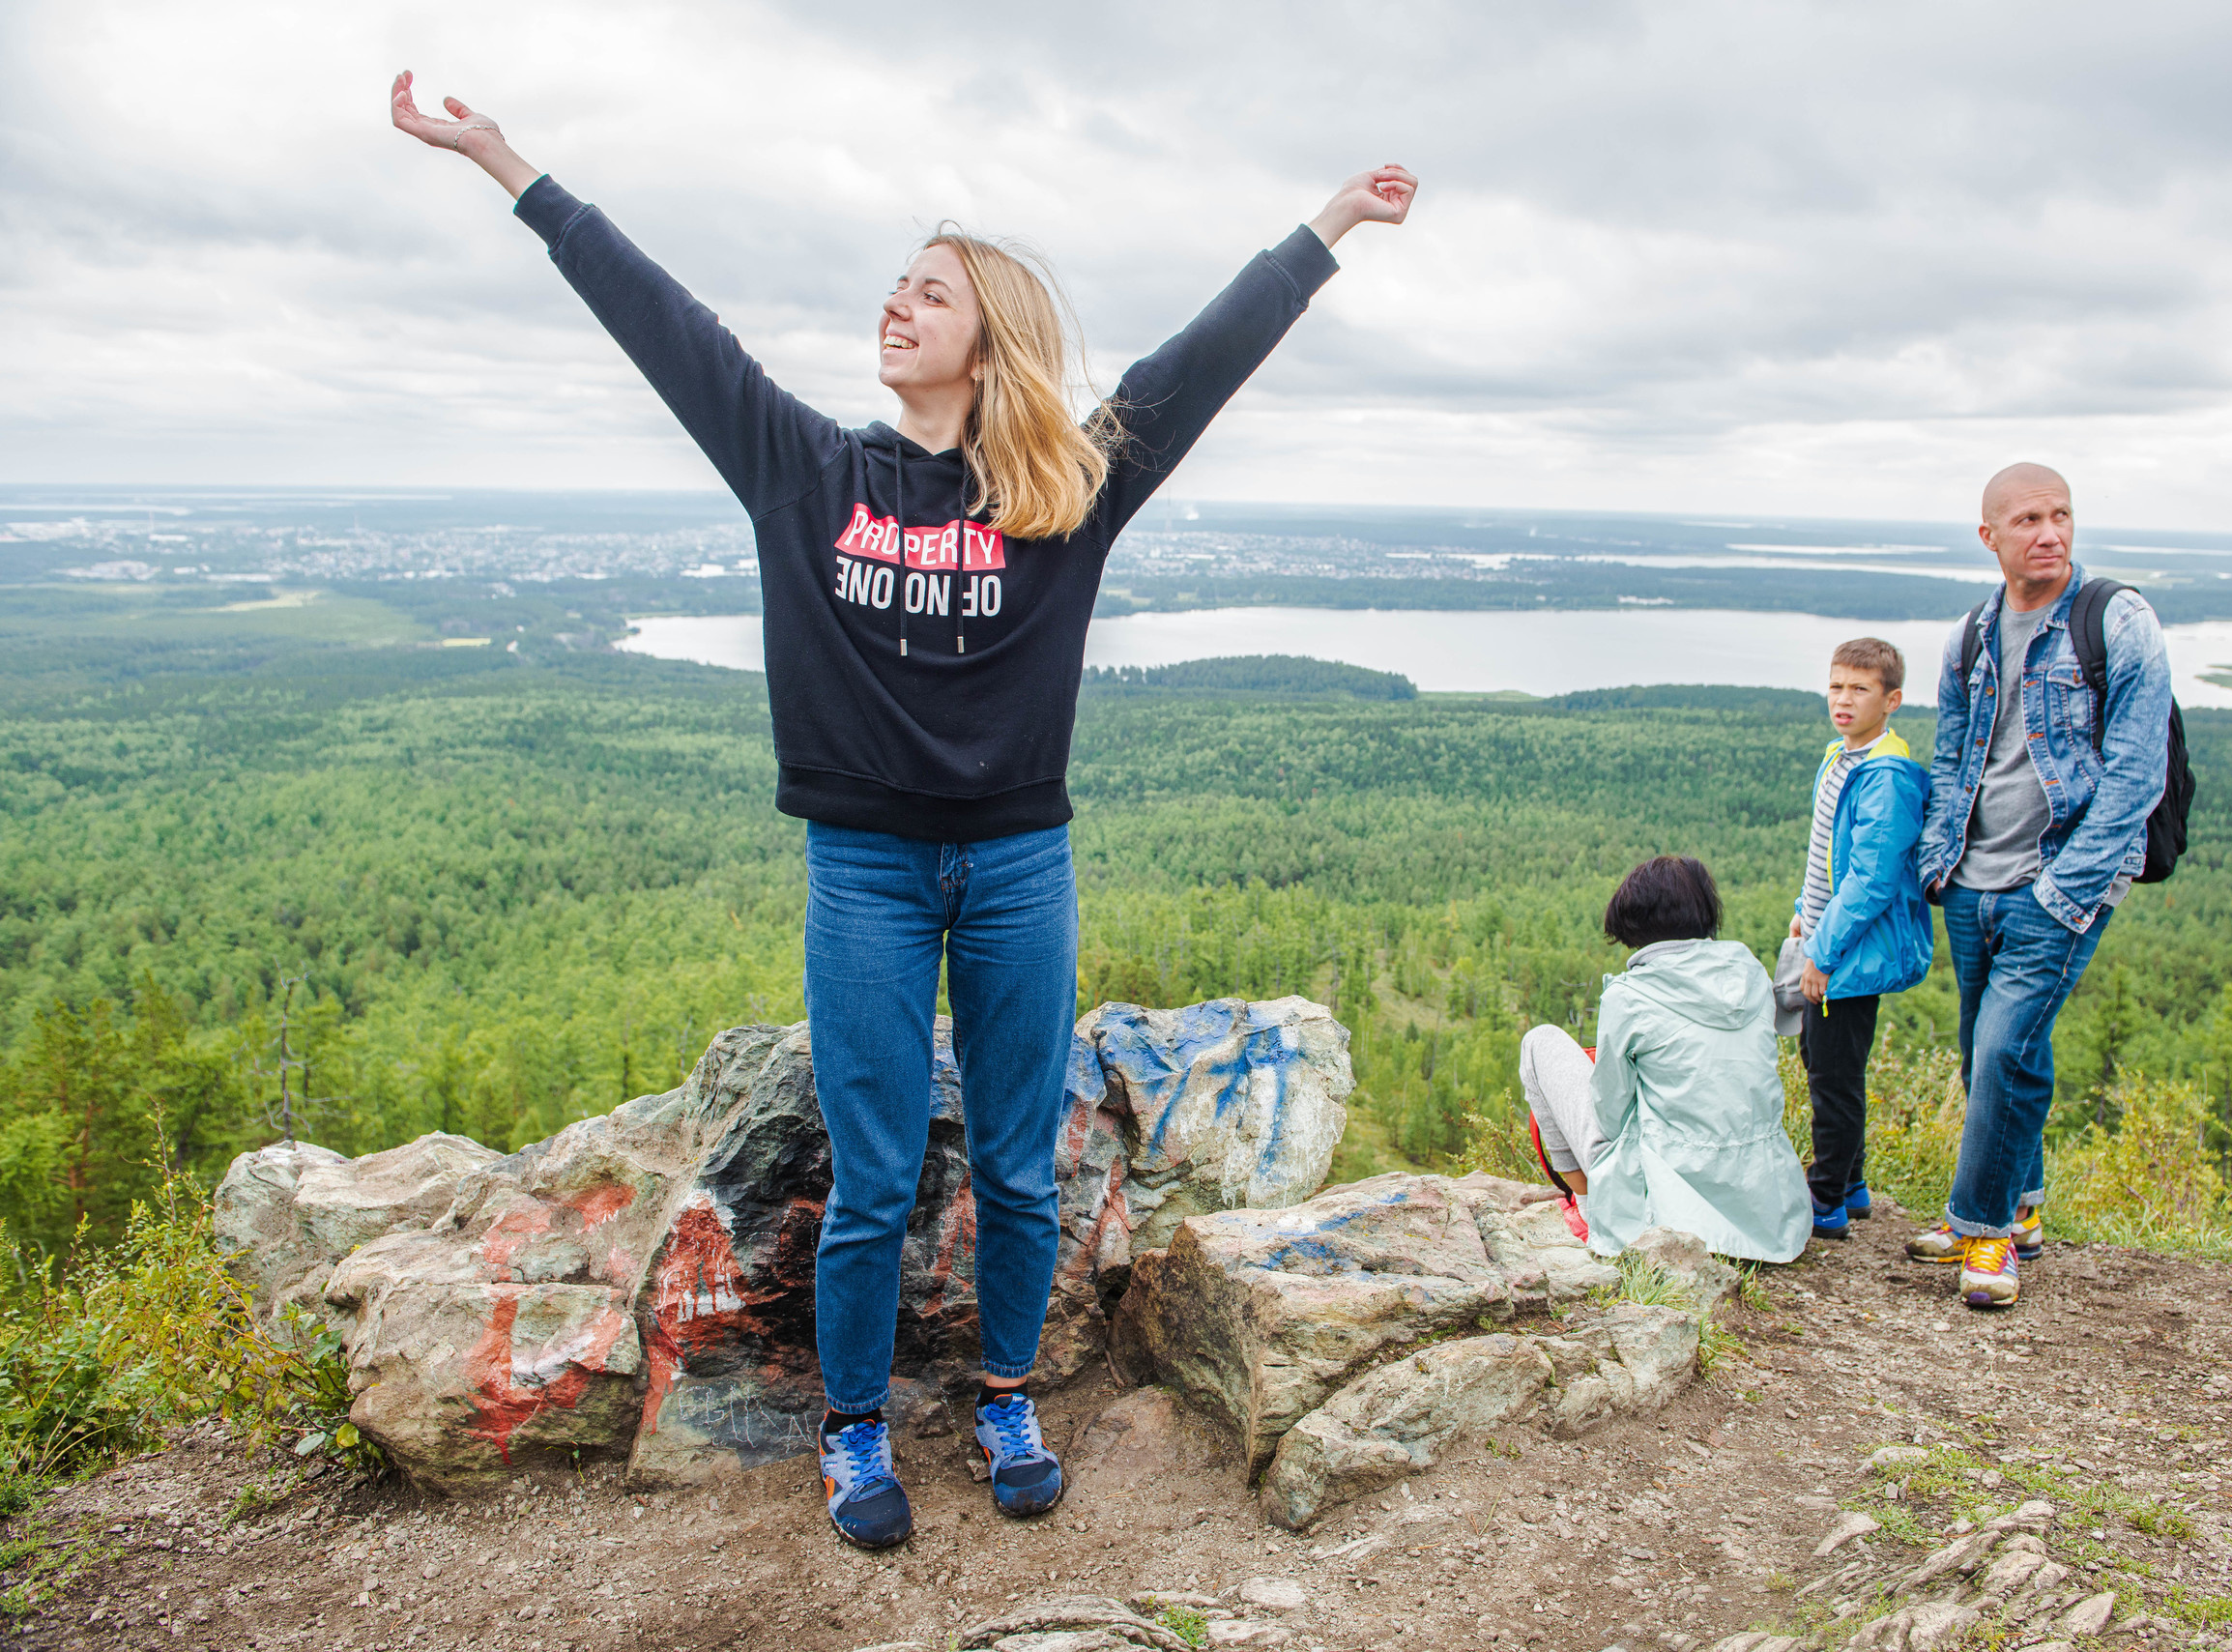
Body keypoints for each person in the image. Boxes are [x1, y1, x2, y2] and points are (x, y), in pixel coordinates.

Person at [389, 72, 1418, 1547]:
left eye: (928, 295)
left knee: (1015, 1162)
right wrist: (503, 161)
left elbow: (1204, 359)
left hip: (1015, 866)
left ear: (986, 336)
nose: (895, 308)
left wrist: (1328, 225)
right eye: (892, 289)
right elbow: (661, 318)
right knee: (870, 1176)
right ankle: (856, 1432)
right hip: (865, 870)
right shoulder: (806, 469)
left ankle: (1007, 1396)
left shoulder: (1064, 489)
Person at [1910, 463, 2172, 1311]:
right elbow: (1953, 755)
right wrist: (1939, 861)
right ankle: (2018, 1207)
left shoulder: (2117, 620)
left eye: (2061, 515)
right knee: (1989, 1050)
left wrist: (2069, 886)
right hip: (1972, 878)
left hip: (2057, 882)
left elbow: (2139, 770)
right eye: (2028, 519)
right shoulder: (1972, 635)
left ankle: (1982, 1234)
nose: (2050, 532)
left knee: (2003, 1048)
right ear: (1990, 536)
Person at [1520, 856, 1812, 1264]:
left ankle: (1588, 1208)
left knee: (1540, 1043)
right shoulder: (1752, 973)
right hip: (1767, 1216)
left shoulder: (1629, 997)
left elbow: (1610, 1119)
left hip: (1667, 1211)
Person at [1788, 639, 1932, 1239]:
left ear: (1891, 700)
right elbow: (1827, 853)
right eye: (1836, 686)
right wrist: (1804, 912)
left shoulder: (1887, 776)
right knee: (1823, 1059)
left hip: (1848, 950)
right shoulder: (1842, 757)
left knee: (1833, 1074)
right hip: (1826, 937)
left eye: (1860, 689)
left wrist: (1822, 951)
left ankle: (1825, 1202)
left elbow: (1872, 879)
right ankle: (1850, 1182)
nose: (1843, 700)